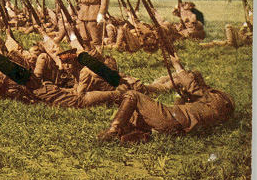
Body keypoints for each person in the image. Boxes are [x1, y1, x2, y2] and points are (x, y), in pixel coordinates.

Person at [98, 55, 234, 143]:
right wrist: (182, 94)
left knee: (133, 95)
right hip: (176, 126)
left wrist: (177, 66)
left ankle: (113, 132)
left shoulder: (214, 98)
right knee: (135, 113)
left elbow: (193, 88)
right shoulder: (208, 108)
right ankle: (137, 134)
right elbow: (182, 102)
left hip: (173, 120)